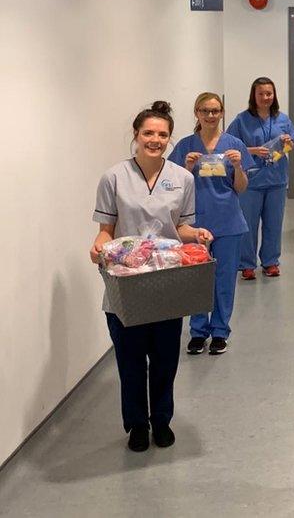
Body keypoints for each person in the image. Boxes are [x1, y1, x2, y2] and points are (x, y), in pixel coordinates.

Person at [90, 101, 213, 452]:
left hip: (165, 283)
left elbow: (181, 228)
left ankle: (161, 420)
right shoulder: (113, 178)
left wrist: (198, 234)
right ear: (136, 135)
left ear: (169, 138)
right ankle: (137, 425)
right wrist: (97, 247)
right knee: (130, 363)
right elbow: (106, 231)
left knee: (164, 359)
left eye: (162, 134)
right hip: (126, 284)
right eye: (148, 133)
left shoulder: (182, 178)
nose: (155, 140)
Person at [170, 92, 254, 355]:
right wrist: (185, 168)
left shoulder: (234, 145)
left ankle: (219, 331)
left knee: (224, 278)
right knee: (196, 278)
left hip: (227, 221)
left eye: (215, 111)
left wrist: (239, 168)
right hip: (193, 224)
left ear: (222, 113)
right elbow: (174, 189)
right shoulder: (185, 146)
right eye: (205, 111)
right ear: (196, 112)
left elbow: (240, 188)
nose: (210, 116)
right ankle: (198, 331)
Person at [227, 77, 294, 280]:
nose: (266, 97)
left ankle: (270, 262)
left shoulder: (283, 119)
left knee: (274, 224)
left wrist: (286, 142)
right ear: (254, 95)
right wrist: (251, 150)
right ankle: (247, 264)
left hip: (276, 180)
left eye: (269, 93)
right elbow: (229, 146)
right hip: (251, 181)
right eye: (261, 94)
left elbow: (290, 144)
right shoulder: (242, 120)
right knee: (248, 225)